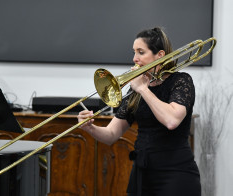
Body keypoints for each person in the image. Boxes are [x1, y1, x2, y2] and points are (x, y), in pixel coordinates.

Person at [77, 27, 201, 196]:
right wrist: (90, 128)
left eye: (141, 52)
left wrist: (143, 89)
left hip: (176, 174)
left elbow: (172, 121)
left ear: (160, 55)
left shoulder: (181, 81)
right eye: (134, 52)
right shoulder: (135, 90)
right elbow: (112, 134)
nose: (135, 59)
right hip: (142, 175)